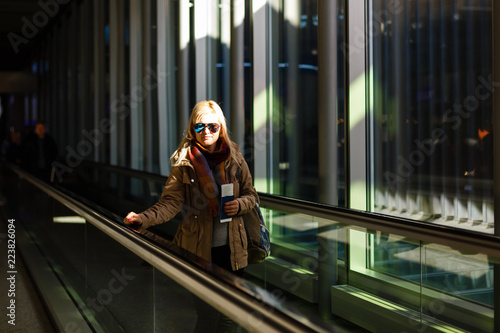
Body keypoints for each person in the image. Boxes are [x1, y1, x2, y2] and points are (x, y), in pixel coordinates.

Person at [124, 100, 258, 332]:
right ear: (192, 129)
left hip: (233, 250)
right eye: (199, 127)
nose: (206, 132)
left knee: (231, 316)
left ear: (221, 128)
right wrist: (143, 219)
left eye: (212, 127)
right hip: (199, 251)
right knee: (207, 314)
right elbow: (171, 202)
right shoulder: (184, 161)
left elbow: (251, 195)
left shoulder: (235, 157)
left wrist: (240, 204)